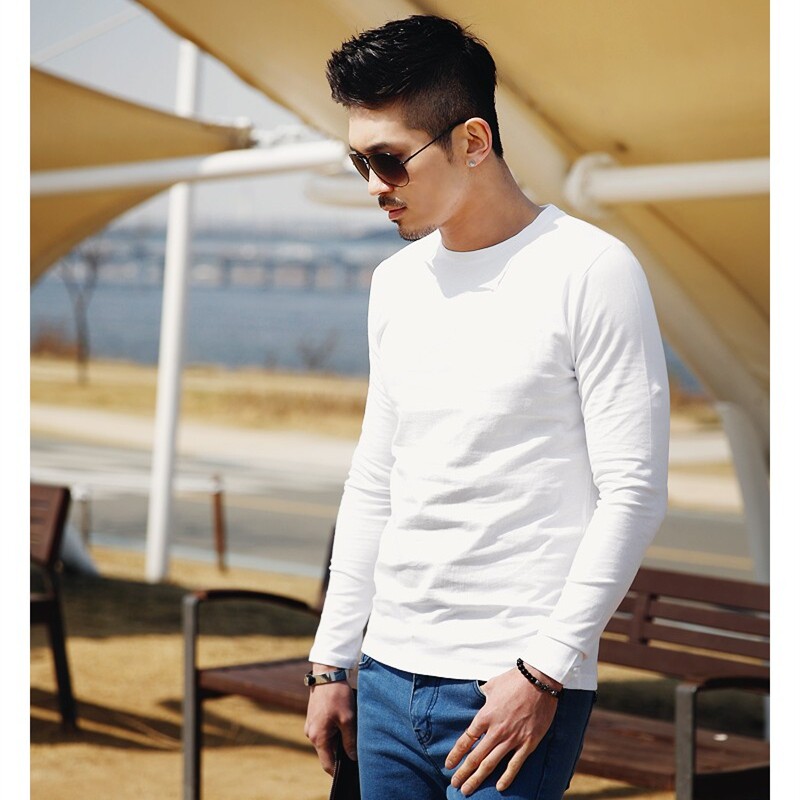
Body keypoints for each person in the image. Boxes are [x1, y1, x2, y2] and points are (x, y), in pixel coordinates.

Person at [304, 14, 669, 800]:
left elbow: (633, 491)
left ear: (473, 141)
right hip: (386, 677)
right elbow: (375, 481)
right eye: (358, 161)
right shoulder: (396, 284)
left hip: (513, 687)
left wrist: (544, 672)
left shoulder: (590, 270)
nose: (373, 185)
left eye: (389, 160)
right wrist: (332, 662)